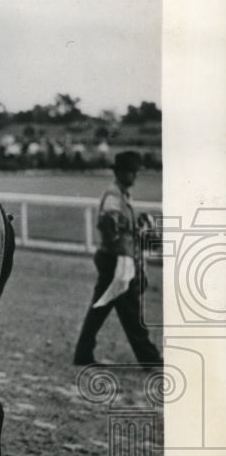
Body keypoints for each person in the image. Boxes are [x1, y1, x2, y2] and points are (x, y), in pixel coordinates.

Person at [73, 150, 162, 368]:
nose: (135, 176)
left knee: (101, 307)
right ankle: (149, 357)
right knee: (129, 309)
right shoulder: (114, 196)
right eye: (132, 172)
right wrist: (127, 244)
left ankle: (83, 353)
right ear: (122, 173)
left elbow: (116, 225)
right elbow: (109, 224)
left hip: (114, 258)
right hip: (118, 260)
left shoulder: (120, 194)